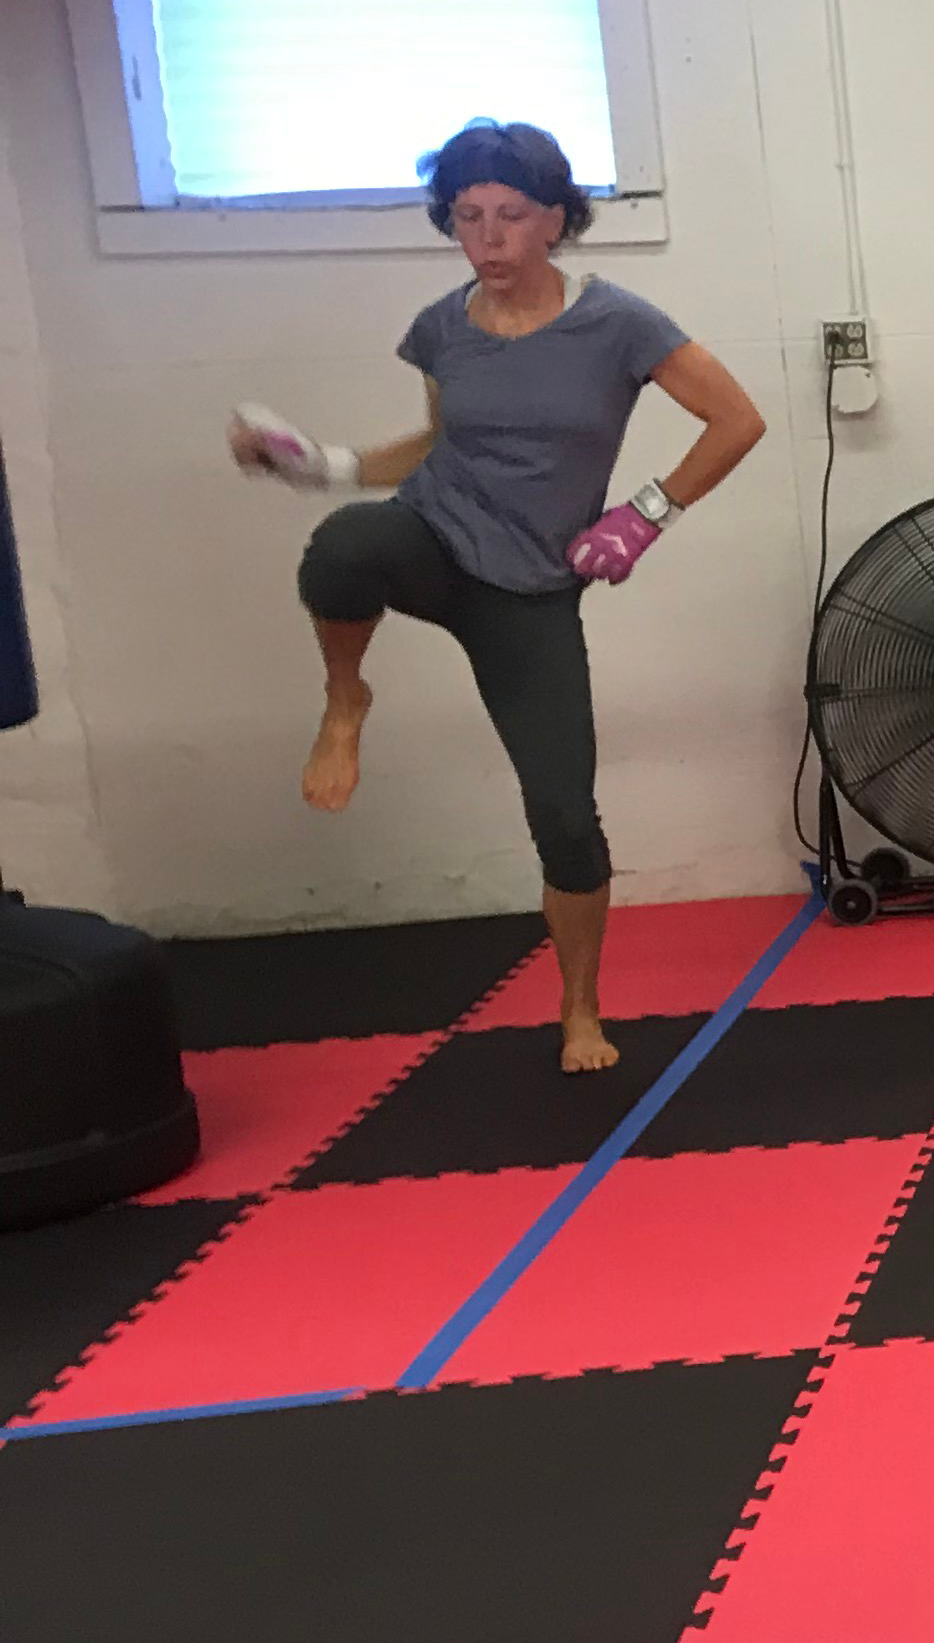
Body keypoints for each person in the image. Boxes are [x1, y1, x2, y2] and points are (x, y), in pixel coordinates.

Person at [231, 119, 767, 1076]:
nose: (488, 239)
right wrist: (321, 467)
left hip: (529, 588)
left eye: (512, 217)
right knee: (344, 548)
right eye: (468, 217)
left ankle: (579, 1010)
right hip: (436, 537)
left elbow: (737, 420)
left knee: (565, 814)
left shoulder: (621, 323)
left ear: (556, 219)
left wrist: (643, 516)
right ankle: (346, 697)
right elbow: (434, 450)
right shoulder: (443, 327)